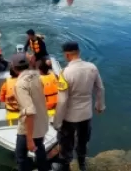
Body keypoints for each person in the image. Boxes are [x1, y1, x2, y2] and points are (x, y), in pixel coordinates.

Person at [53, 41, 105, 171]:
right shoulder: (92, 67)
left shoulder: (65, 73)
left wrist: (57, 121)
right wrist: (100, 106)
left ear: (67, 55)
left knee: (66, 142)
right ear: (79, 52)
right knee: (83, 141)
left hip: (69, 117)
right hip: (86, 114)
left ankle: (65, 166)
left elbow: (63, 100)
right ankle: (82, 164)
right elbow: (100, 88)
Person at [11, 53, 49, 171]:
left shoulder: (20, 84)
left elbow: (30, 112)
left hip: (28, 128)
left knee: (21, 157)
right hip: (42, 122)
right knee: (40, 148)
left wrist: (29, 139)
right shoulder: (37, 76)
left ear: (14, 68)